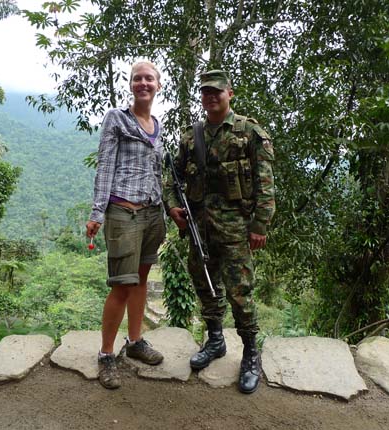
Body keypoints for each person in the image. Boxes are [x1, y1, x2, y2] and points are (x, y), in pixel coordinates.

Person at [163, 69, 275, 394]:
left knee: (240, 292)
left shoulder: (249, 133)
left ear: (230, 93)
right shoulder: (190, 136)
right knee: (205, 286)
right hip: (200, 229)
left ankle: (251, 353)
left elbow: (266, 184)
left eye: (217, 91)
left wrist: (260, 225)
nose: (211, 97)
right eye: (205, 92)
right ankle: (215, 340)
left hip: (236, 230)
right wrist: (172, 206)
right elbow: (171, 178)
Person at [86, 61, 166, 390]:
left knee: (142, 280)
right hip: (123, 212)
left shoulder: (158, 125)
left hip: (152, 214)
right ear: (130, 85)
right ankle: (106, 354)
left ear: (159, 85)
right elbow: (105, 166)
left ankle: (135, 342)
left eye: (149, 78)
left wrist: (168, 209)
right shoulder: (116, 119)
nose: (143, 83)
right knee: (121, 285)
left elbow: (158, 174)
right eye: (137, 79)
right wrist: (97, 213)